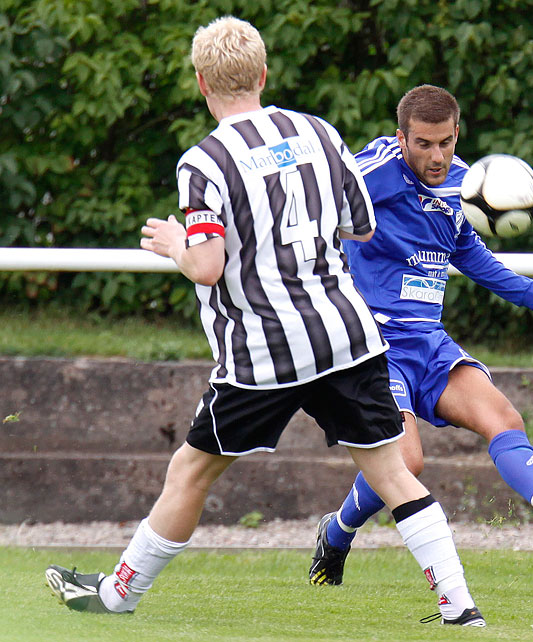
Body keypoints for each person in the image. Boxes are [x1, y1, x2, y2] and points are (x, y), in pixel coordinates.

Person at [44, 19, 487, 627]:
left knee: (190, 471)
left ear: (201, 82)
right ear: (263, 74)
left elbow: (205, 266)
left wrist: (175, 243)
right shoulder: (319, 133)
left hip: (264, 352)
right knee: (388, 471)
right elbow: (362, 227)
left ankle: (117, 594)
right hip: (345, 336)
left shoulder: (204, 160)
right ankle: (460, 607)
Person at [308, 84, 533, 586]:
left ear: (457, 133)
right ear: (401, 138)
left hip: (427, 341)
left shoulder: (464, 186)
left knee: (502, 416)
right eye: (423, 143)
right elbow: (310, 210)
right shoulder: (370, 172)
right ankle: (336, 534)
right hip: (371, 343)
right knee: (407, 460)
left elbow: (468, 253)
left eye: (445, 142)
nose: (436, 155)